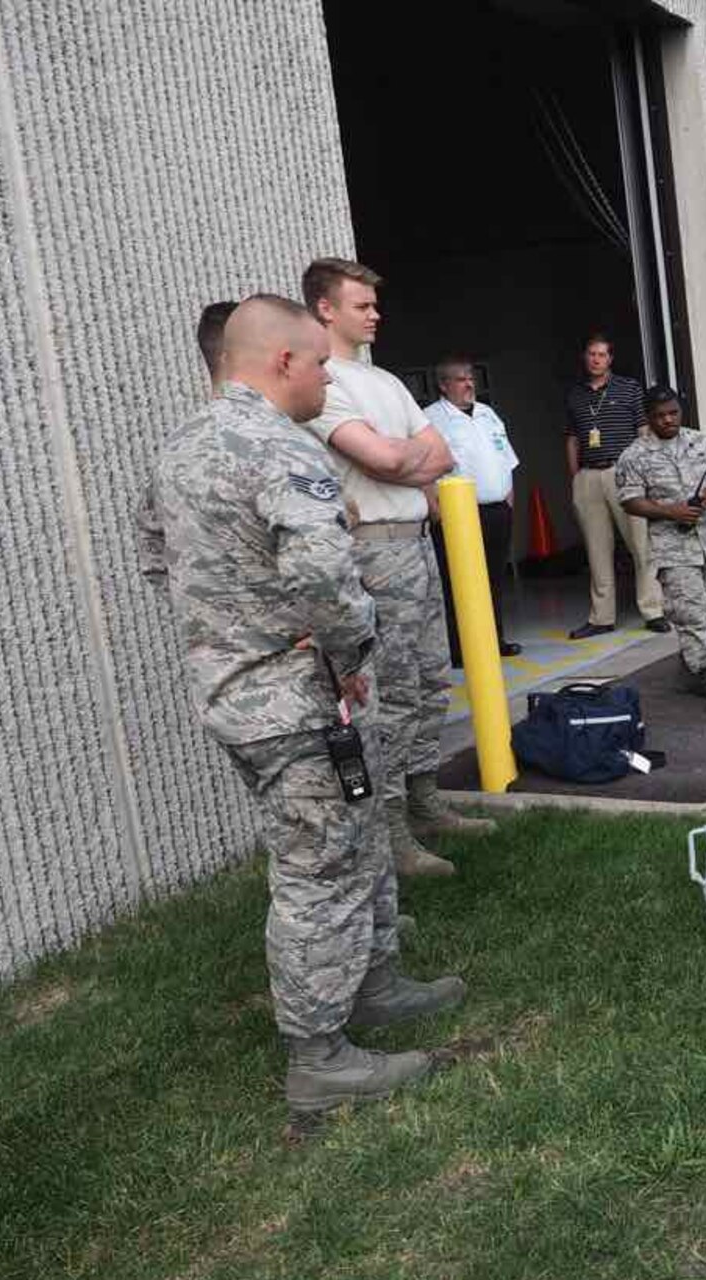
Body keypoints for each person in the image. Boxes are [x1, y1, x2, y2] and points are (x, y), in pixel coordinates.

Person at [146, 294, 463, 1116]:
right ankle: (319, 1057)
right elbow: (329, 577)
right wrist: (348, 653)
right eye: (320, 362)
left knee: (353, 839)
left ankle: (375, 983)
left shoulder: (181, 447)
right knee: (318, 870)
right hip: (296, 706)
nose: (329, 376)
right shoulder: (281, 449)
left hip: (244, 697)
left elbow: (158, 557)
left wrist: (228, 632)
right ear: (283, 361)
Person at [302, 257, 491, 879]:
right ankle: (392, 833)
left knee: (431, 678)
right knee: (388, 695)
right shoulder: (324, 383)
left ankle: (425, 800)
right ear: (325, 309)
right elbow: (382, 458)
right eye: (362, 305)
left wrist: (406, 461)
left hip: (415, 541)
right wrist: (407, 460)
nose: (375, 314)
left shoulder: (382, 381)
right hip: (374, 552)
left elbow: (437, 453)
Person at [615, 388, 706, 710]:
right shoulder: (635, 454)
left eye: (673, 412)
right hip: (673, 548)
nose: (668, 419)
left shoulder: (701, 441)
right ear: (648, 417)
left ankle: (690, 671)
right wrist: (671, 511)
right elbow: (630, 501)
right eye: (660, 415)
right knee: (689, 612)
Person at [563, 332, 667, 639]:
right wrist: (575, 476)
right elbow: (571, 437)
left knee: (641, 544)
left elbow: (644, 430)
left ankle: (653, 610)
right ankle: (601, 617)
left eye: (601, 355)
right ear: (585, 358)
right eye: (591, 354)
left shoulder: (629, 388)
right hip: (589, 476)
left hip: (624, 474)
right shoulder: (575, 394)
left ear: (610, 359)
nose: (596, 359)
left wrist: (644, 472)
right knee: (597, 549)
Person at [425, 356, 522, 662]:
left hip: (496, 510)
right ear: (444, 385)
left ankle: (494, 640)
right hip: (458, 514)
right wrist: (435, 510)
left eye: (471, 378)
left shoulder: (487, 414)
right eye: (460, 379)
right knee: (458, 583)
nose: (469, 384)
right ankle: (459, 648)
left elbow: (506, 459)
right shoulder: (431, 419)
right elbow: (424, 470)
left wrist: (508, 499)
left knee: (494, 578)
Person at [139, 301, 240, 586]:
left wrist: (206, 615)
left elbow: (153, 554)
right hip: (293, 628)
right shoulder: (275, 443)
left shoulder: (175, 449)